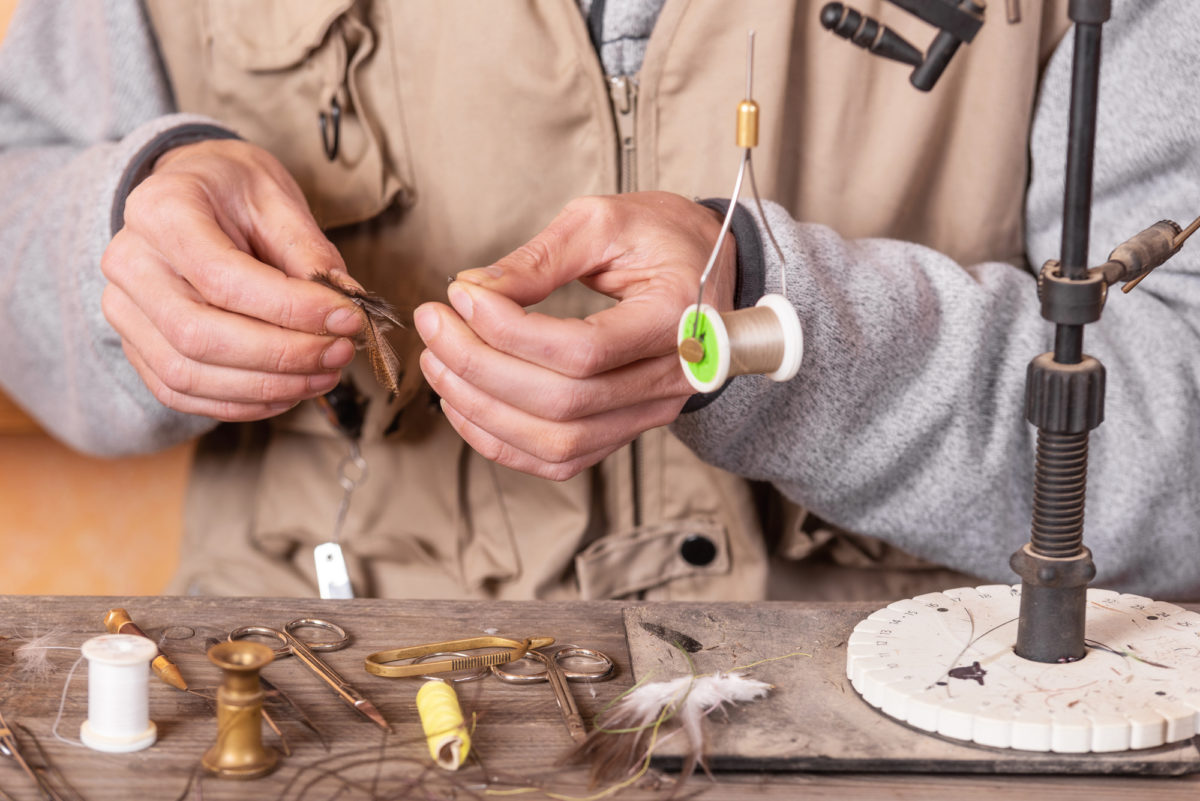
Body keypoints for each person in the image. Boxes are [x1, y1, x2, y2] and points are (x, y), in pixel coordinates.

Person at [2, 1, 1192, 600]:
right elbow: (22, 174)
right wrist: (122, 235)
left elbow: (1178, 422)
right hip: (338, 693)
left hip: (916, 709)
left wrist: (781, 332)